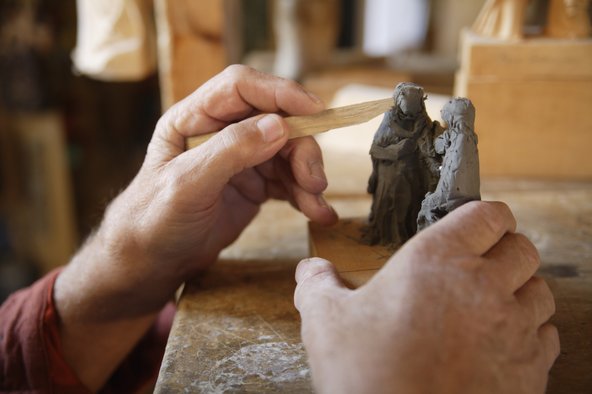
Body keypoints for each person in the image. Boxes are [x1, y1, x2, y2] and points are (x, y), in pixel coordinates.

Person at [0, 66, 559, 393]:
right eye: (410, 101)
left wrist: (119, 281)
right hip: (396, 185)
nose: (415, 106)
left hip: (421, 190)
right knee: (394, 216)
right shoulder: (393, 121)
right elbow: (385, 147)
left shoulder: (454, 137)